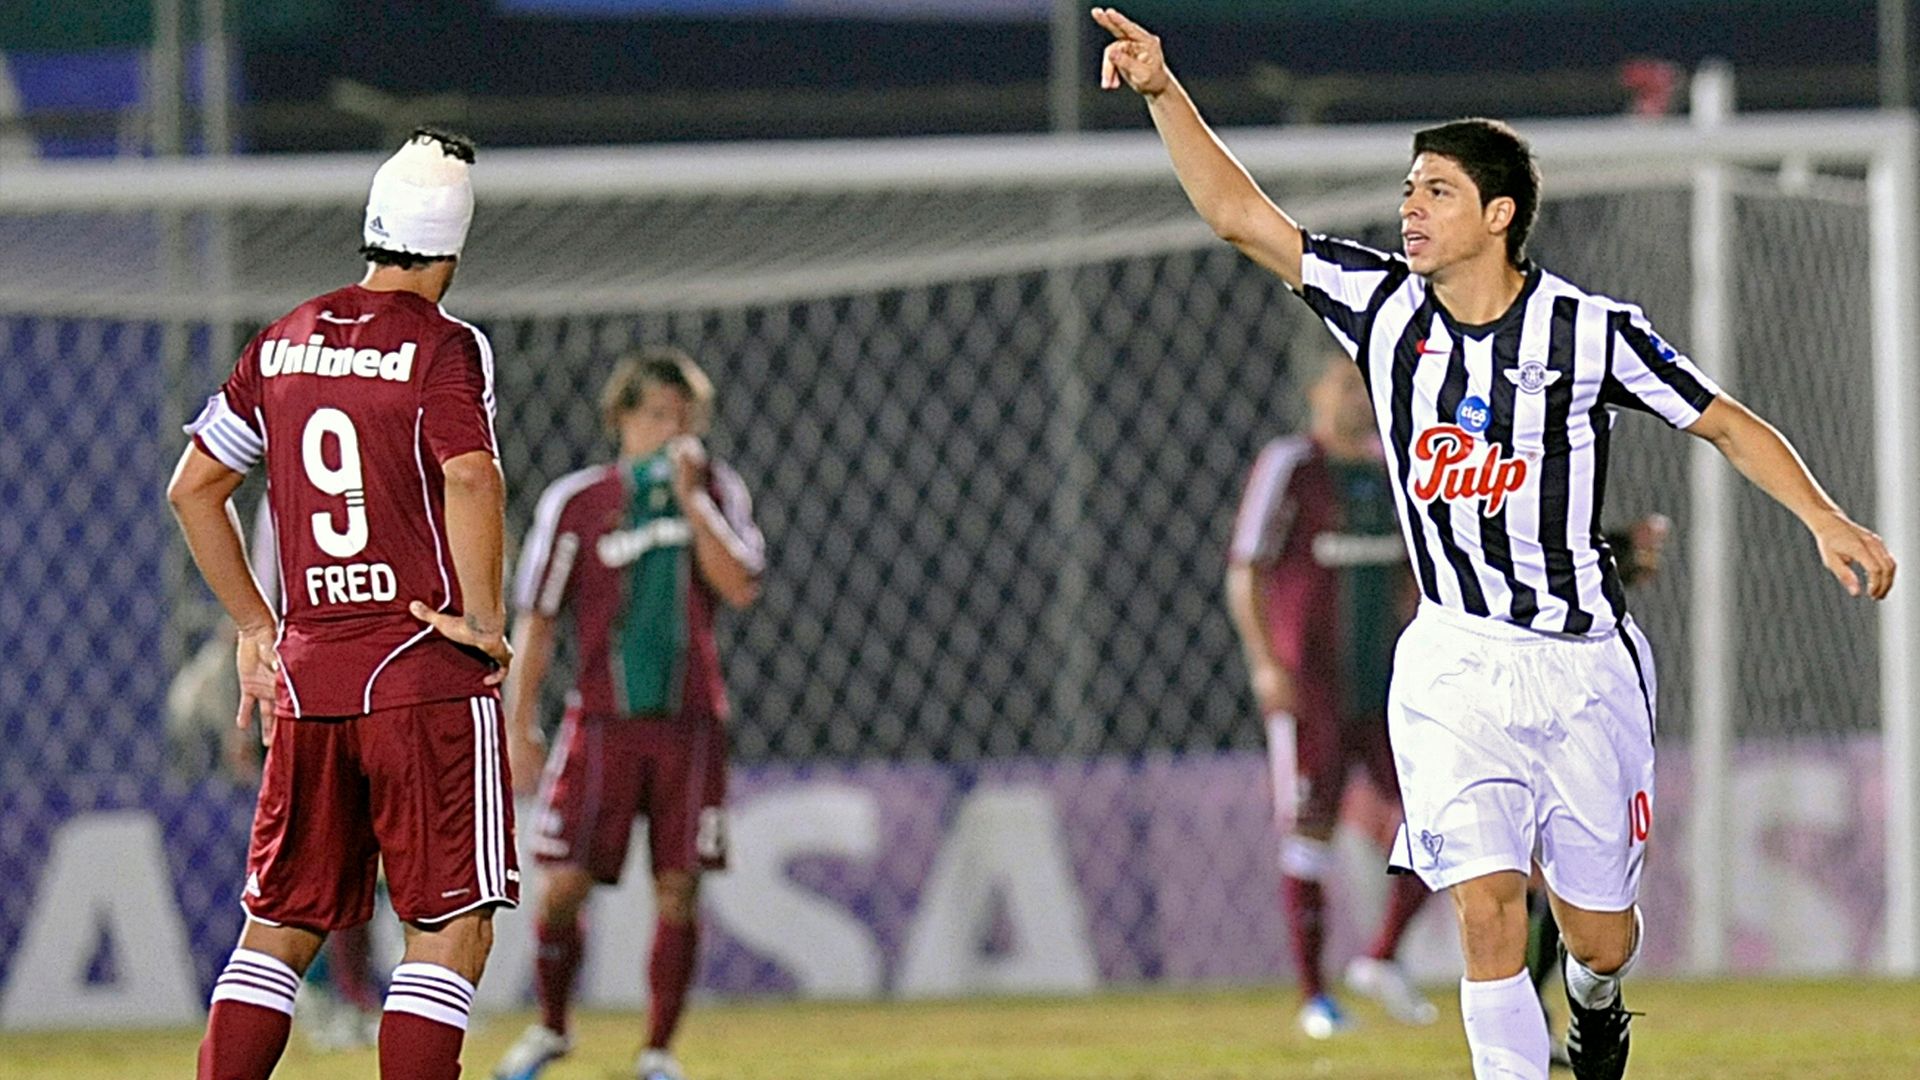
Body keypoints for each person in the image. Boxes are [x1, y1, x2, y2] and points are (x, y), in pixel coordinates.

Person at [1094, 10, 1895, 1080]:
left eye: (1436, 191)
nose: (1409, 209)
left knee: (1600, 933)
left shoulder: (1588, 330)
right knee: (1484, 910)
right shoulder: (1383, 309)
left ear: (1500, 213)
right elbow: (1243, 216)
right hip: (1454, 660)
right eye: (1409, 189)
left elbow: (1723, 420)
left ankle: (1597, 1002)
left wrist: (1825, 516)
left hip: (1583, 665)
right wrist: (1162, 91)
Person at [168, 127, 516, 1080]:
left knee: (277, 929)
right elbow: (473, 479)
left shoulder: (281, 340)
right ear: (451, 249)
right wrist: (484, 623)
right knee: (448, 929)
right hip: (421, 674)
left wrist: (254, 627)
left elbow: (194, 488)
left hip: (311, 675)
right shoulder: (447, 346)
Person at [493, 348, 765, 1080]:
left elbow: (740, 585)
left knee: (679, 884)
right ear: (621, 418)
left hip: (690, 721)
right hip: (601, 722)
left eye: (685, 418)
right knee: (564, 884)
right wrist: (520, 726)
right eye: (656, 415)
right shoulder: (576, 502)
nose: (671, 431)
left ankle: (656, 1053)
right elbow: (539, 620)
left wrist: (695, 502)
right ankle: (552, 1028)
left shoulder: (716, 491)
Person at [1226, 350, 1437, 1038]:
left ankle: (1381, 957)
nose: (1357, 398)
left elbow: (1417, 577)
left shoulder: (1398, 469)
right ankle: (1315, 997)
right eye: (1344, 384)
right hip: (1312, 685)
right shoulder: (1292, 467)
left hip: (1387, 688)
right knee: (1308, 833)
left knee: (1440, 820)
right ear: (1315, 393)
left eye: (1364, 386)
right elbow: (1245, 570)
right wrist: (1266, 665)